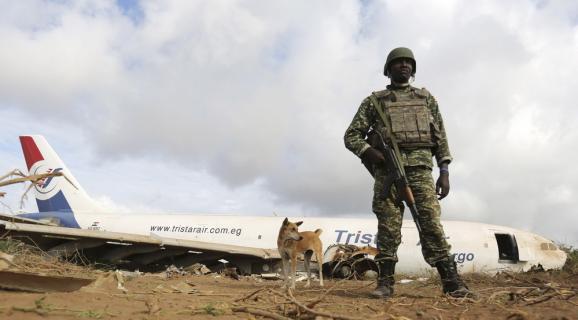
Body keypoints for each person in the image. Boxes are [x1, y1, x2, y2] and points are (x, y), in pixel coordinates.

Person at [344, 47, 472, 298]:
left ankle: (451, 282)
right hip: (387, 173)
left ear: (413, 69)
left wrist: (444, 170)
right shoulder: (374, 101)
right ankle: (385, 283)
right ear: (388, 69)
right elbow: (351, 136)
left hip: (421, 172)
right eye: (398, 62)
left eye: (408, 62)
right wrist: (370, 152)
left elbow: (440, 137)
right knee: (388, 228)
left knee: (431, 226)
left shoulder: (426, 99)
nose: (404, 66)